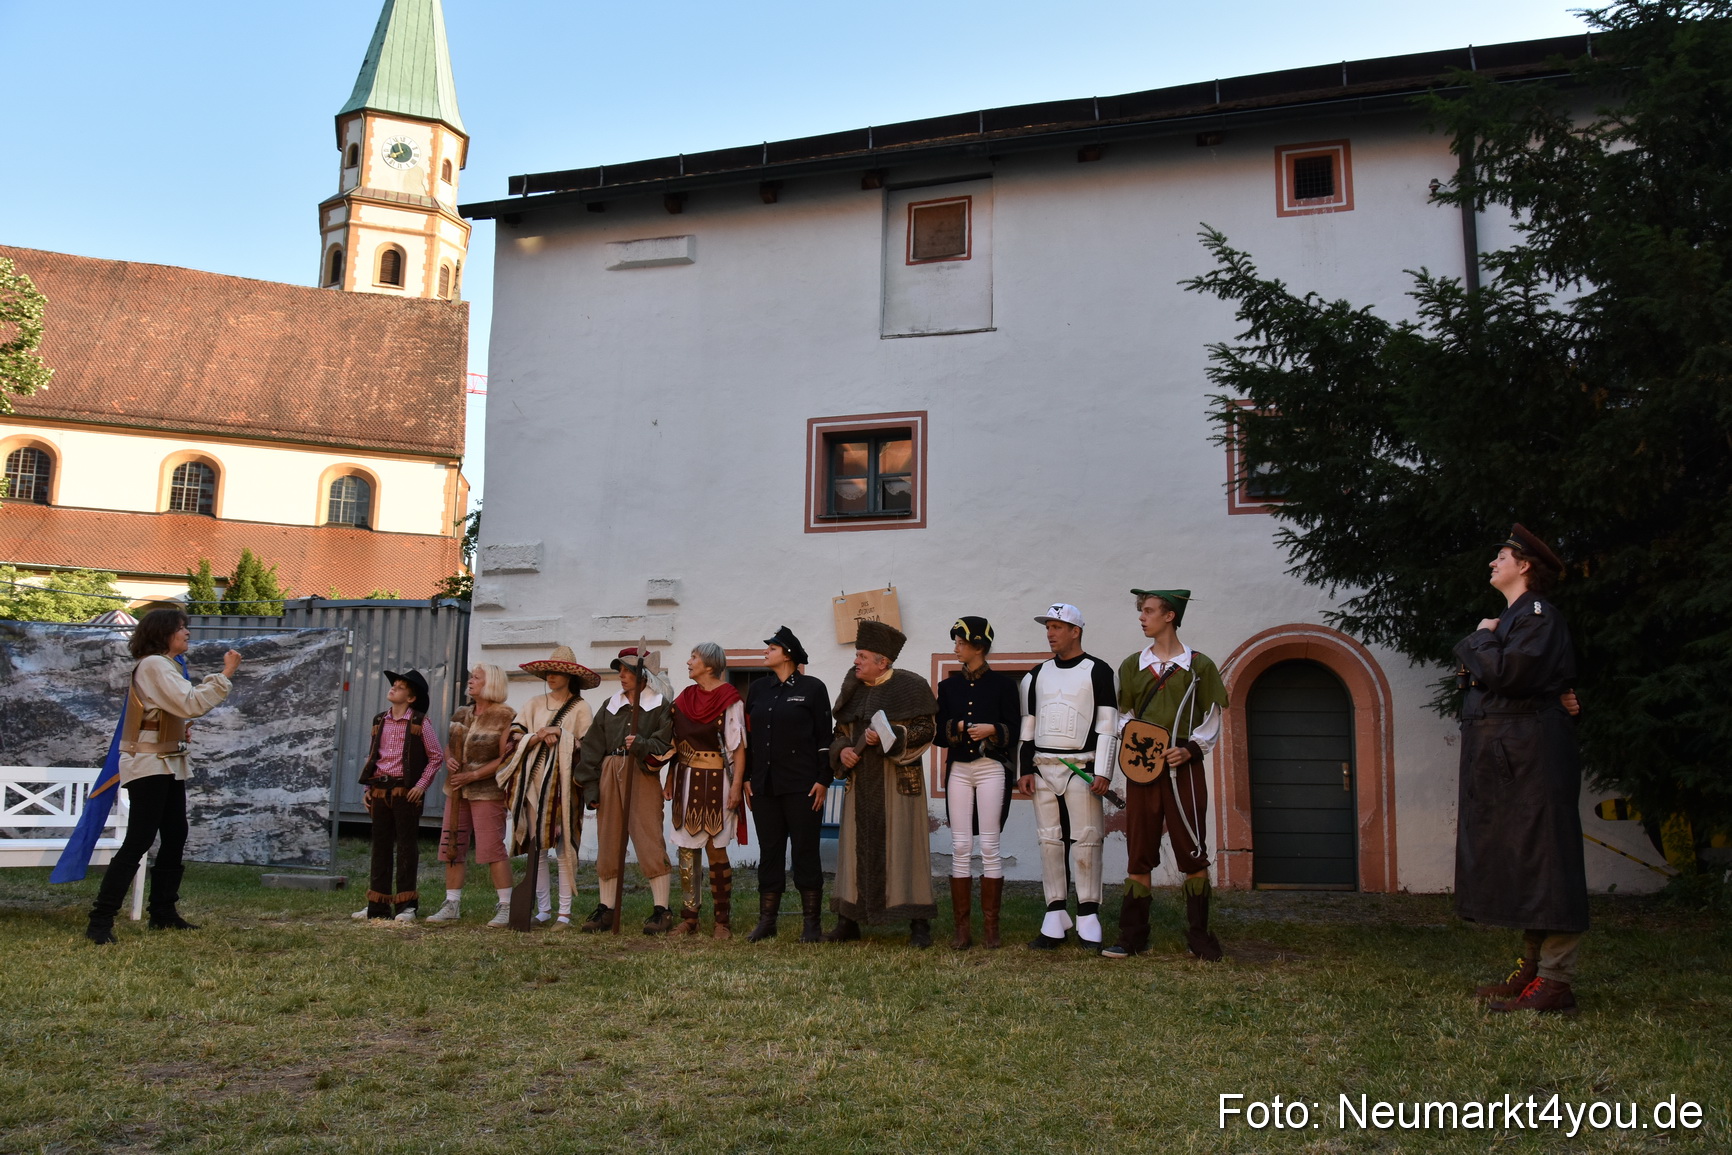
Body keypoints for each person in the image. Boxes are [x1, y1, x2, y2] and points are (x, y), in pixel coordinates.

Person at [1456, 525, 1588, 1015]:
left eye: (1501, 556)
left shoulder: (1535, 616)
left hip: (1531, 754)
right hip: (1515, 754)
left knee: (1549, 860)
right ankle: (1534, 971)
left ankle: (1555, 982)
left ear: (1524, 564)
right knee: (1531, 860)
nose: (1493, 563)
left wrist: (1480, 637)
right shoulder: (1518, 620)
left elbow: (1509, 676)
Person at [84, 609, 240, 944]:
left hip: (167, 762)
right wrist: (225, 674)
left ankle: (163, 913)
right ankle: (100, 920)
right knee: (139, 840)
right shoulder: (154, 664)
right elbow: (191, 703)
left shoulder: (166, 666)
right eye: (180, 628)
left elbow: (174, 710)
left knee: (174, 833)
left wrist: (178, 729)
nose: (186, 632)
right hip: (150, 765)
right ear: (163, 632)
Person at [1102, 590, 1230, 961]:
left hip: (1183, 767)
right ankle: (1132, 936)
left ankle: (1200, 937)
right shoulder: (1132, 665)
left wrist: (1189, 748)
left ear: (1170, 616)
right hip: (1143, 764)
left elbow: (1211, 719)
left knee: (1192, 850)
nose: (1142, 618)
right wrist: (1137, 740)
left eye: (1149, 611)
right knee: (1138, 849)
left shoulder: (1199, 666)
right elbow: (1123, 717)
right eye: (1141, 611)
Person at [827, 620, 939, 947]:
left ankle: (919, 924)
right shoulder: (853, 688)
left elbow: (926, 730)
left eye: (861, 656)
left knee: (907, 850)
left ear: (882, 661)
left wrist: (892, 735)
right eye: (856, 655)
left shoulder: (911, 686)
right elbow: (838, 734)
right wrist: (843, 751)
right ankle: (849, 921)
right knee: (853, 851)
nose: (855, 661)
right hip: (860, 784)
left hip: (897, 783)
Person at [1018, 603, 1118, 950]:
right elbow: (1028, 725)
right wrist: (1024, 768)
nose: (1050, 633)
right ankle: (1055, 912)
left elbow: (1108, 725)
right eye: (1048, 626)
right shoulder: (1036, 674)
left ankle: (1089, 914)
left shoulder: (1100, 671)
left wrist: (1103, 770)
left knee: (1087, 840)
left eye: (1057, 626)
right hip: (1043, 768)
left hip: (1083, 767)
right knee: (1049, 842)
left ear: (1075, 631)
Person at [495, 645, 597, 926]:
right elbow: (515, 736)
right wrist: (538, 736)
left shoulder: (581, 708)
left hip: (563, 788)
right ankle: (543, 909)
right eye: (548, 672)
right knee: (536, 847)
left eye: (556, 672)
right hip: (531, 786)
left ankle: (564, 913)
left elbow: (587, 747)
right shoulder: (533, 704)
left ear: (569, 677)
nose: (550, 677)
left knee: (564, 848)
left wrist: (561, 734)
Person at [934, 616, 1020, 950]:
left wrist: (993, 730)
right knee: (959, 846)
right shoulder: (948, 687)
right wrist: (955, 726)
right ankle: (962, 930)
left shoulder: (1002, 686)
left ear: (978, 645)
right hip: (959, 768)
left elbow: (1013, 727)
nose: (955, 648)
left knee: (989, 845)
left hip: (991, 767)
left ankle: (991, 930)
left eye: (960, 642)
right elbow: (940, 732)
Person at [576, 647, 676, 933]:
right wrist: (591, 788)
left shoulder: (659, 705)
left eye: (628, 670)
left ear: (642, 675)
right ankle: (606, 909)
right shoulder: (611, 705)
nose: (621, 675)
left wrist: (641, 744)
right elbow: (592, 747)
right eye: (619, 669)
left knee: (648, 838)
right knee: (608, 840)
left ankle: (662, 910)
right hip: (610, 771)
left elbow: (665, 745)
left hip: (641, 773)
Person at [743, 627, 832, 942]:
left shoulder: (813, 688)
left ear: (788, 654)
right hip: (765, 785)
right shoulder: (758, 689)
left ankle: (812, 925)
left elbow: (825, 738)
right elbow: (750, 740)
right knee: (770, 851)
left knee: (805, 850)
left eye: (772, 647)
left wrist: (824, 779)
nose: (766, 651)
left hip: (803, 785)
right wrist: (746, 778)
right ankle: (767, 921)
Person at [425, 664, 517, 927]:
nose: (470, 681)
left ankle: (506, 906)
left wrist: (474, 775)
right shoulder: (462, 712)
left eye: (476, 677)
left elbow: (506, 758)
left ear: (492, 683)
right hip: (456, 790)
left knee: (491, 848)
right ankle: (451, 903)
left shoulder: (505, 716)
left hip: (487, 792)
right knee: (451, 844)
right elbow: (450, 745)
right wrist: (450, 760)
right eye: (471, 677)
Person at [665, 642, 747, 938]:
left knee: (716, 850)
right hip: (687, 780)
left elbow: (738, 750)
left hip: (717, 782)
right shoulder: (684, 698)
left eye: (694, 657)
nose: (689, 662)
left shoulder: (729, 699)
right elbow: (674, 745)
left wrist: (736, 787)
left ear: (709, 665)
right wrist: (670, 779)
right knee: (686, 851)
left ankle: (721, 921)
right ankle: (689, 918)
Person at [355, 669, 445, 921]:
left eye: (401, 686)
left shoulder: (419, 722)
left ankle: (407, 906)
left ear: (411, 698)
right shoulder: (379, 720)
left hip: (406, 793)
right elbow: (373, 756)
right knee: (380, 847)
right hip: (380, 790)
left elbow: (436, 756)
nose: (393, 688)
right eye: (393, 684)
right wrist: (367, 788)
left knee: (406, 847)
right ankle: (377, 904)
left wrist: (421, 785)